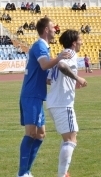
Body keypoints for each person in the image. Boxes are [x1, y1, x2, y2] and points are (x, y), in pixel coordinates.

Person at [17, 17, 70, 177]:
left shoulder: (45, 48)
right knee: (31, 133)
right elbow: (45, 65)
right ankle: (22, 173)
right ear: (46, 29)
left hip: (37, 95)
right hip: (31, 95)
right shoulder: (40, 45)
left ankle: (27, 171)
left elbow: (47, 76)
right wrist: (60, 57)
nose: (55, 29)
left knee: (40, 134)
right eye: (53, 27)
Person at [46, 30, 87, 177]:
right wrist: (78, 78)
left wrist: (70, 82)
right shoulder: (69, 54)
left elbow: (49, 79)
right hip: (63, 103)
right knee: (71, 139)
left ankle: (63, 173)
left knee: (68, 138)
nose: (82, 42)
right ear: (74, 42)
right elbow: (62, 66)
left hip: (54, 102)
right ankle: (62, 174)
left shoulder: (61, 55)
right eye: (80, 39)